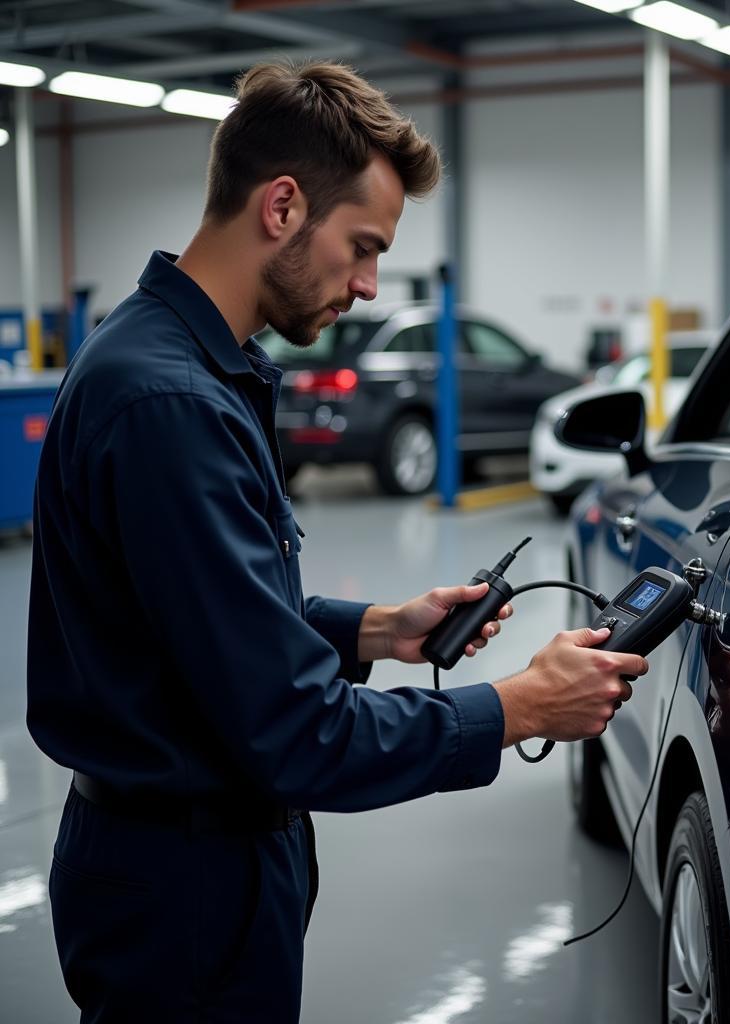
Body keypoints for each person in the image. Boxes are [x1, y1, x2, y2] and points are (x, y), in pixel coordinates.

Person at [26, 61, 645, 1023]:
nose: (365, 285)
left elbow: (202, 624)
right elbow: (295, 732)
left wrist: (379, 631)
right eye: (362, 247)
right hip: (183, 887)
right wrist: (519, 707)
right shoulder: (172, 405)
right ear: (281, 206)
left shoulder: (180, 365)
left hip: (187, 861)